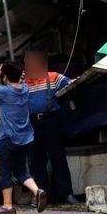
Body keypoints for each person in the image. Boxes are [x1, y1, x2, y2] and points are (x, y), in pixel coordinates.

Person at [0, 60, 47, 214]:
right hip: (25, 138)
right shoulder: (25, 89)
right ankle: (37, 190)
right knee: (21, 170)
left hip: (7, 138)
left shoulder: (4, 91)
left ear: (5, 76)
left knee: (5, 171)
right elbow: (20, 80)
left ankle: (7, 205)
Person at [23, 50, 76, 205]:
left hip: (51, 121)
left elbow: (70, 83)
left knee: (58, 158)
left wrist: (75, 81)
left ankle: (66, 194)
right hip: (32, 123)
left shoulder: (53, 77)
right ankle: (44, 196)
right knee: (37, 161)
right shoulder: (23, 82)